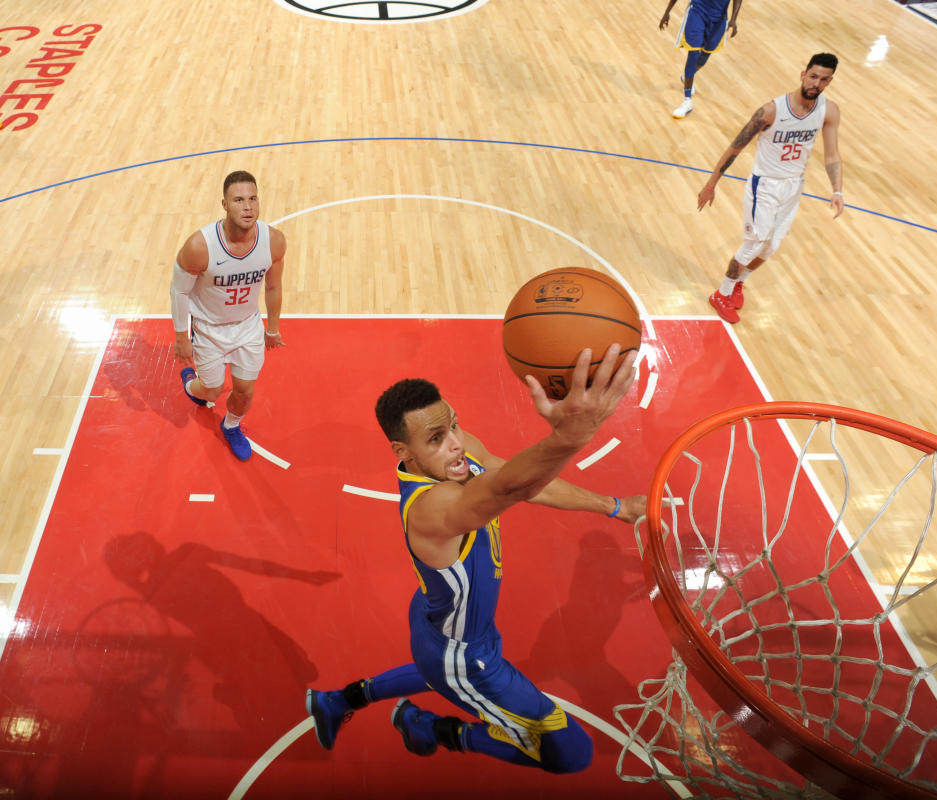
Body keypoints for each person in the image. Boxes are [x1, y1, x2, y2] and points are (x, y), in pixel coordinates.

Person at [306, 346, 646, 772]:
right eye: (436, 438)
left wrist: (617, 507)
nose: (455, 444)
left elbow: (521, 480)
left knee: (436, 670)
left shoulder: (457, 456)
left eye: (454, 425)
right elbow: (508, 489)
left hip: (438, 618)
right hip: (463, 652)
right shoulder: (433, 508)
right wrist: (572, 436)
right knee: (571, 755)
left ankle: (338, 701)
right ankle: (432, 729)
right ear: (403, 452)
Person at [698, 53, 843, 324]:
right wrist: (711, 184)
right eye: (812, 76)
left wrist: (837, 190)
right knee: (754, 243)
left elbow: (832, 155)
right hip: (764, 184)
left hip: (793, 186)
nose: (816, 84)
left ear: (829, 81)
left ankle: (739, 281)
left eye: (823, 80)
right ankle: (721, 294)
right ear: (803, 74)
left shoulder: (829, 110)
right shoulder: (771, 111)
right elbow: (736, 147)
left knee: (772, 245)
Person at [170, 171, 286, 460]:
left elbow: (273, 286)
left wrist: (272, 328)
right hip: (209, 329)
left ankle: (231, 425)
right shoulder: (200, 246)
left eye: (252, 199)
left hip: (247, 326)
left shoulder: (273, 241)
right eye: (239, 200)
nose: (247, 206)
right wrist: (181, 336)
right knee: (212, 392)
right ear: (224, 204)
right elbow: (179, 292)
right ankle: (191, 384)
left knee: (245, 390)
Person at [659, 0, 744, 119]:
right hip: (697, 12)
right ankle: (687, 100)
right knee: (693, 53)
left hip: (718, 19)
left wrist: (734, 19)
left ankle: (688, 76)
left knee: (704, 56)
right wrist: (667, 12)